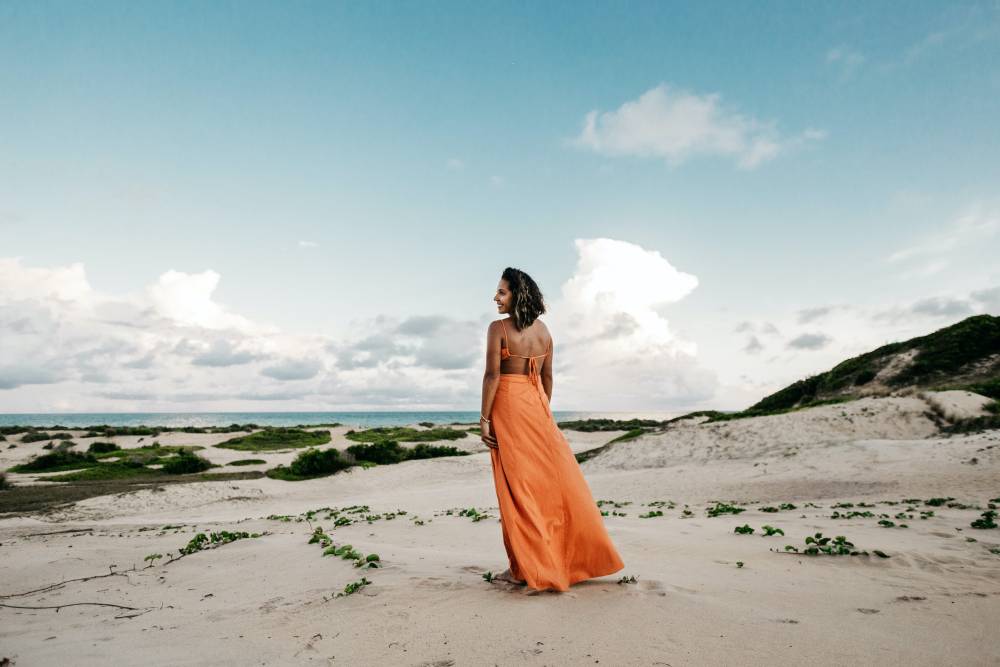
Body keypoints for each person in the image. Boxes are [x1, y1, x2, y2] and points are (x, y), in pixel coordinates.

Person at [479, 267, 625, 591]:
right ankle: (558, 561)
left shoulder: (498, 329)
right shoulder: (544, 332)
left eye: (501, 292)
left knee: (517, 490)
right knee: (548, 486)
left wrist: (485, 418)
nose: (496, 298)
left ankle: (524, 568)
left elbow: (492, 376)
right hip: (537, 405)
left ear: (517, 294)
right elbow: (547, 378)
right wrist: (543, 412)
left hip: (508, 406)